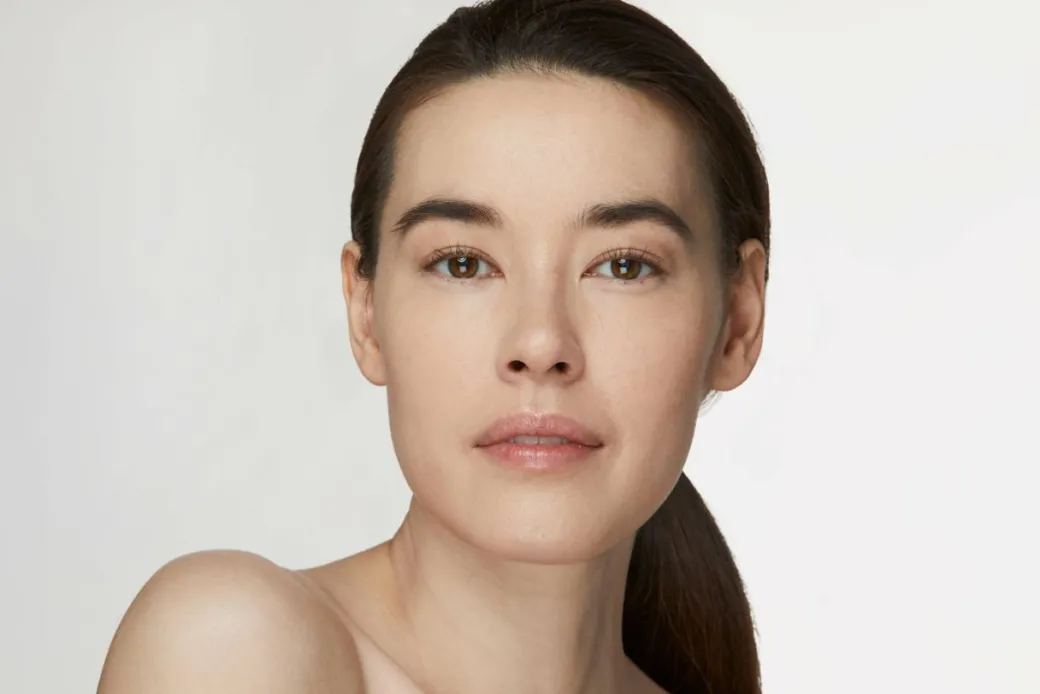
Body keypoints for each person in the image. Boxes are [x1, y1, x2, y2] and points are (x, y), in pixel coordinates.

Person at [97, 0, 769, 692]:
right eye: (462, 263)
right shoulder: (230, 648)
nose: (540, 343)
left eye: (623, 266)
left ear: (739, 319)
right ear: (366, 312)